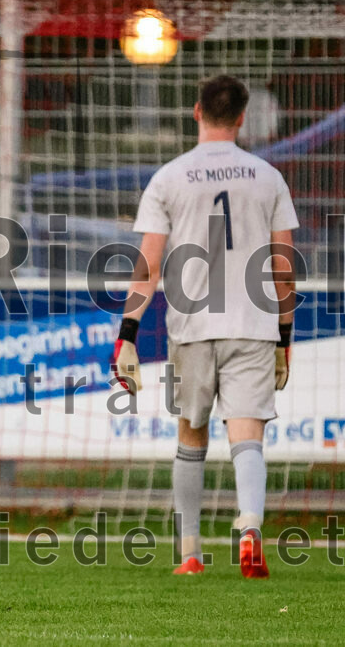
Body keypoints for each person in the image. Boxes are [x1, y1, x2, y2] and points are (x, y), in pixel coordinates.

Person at [113, 75, 297, 578]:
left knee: (191, 436)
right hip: (254, 324)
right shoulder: (268, 177)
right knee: (248, 436)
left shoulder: (170, 177)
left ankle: (190, 553)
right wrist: (285, 335)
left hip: (192, 325)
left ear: (196, 112)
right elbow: (283, 267)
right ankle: (252, 526)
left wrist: (127, 332)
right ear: (242, 117)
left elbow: (148, 264)